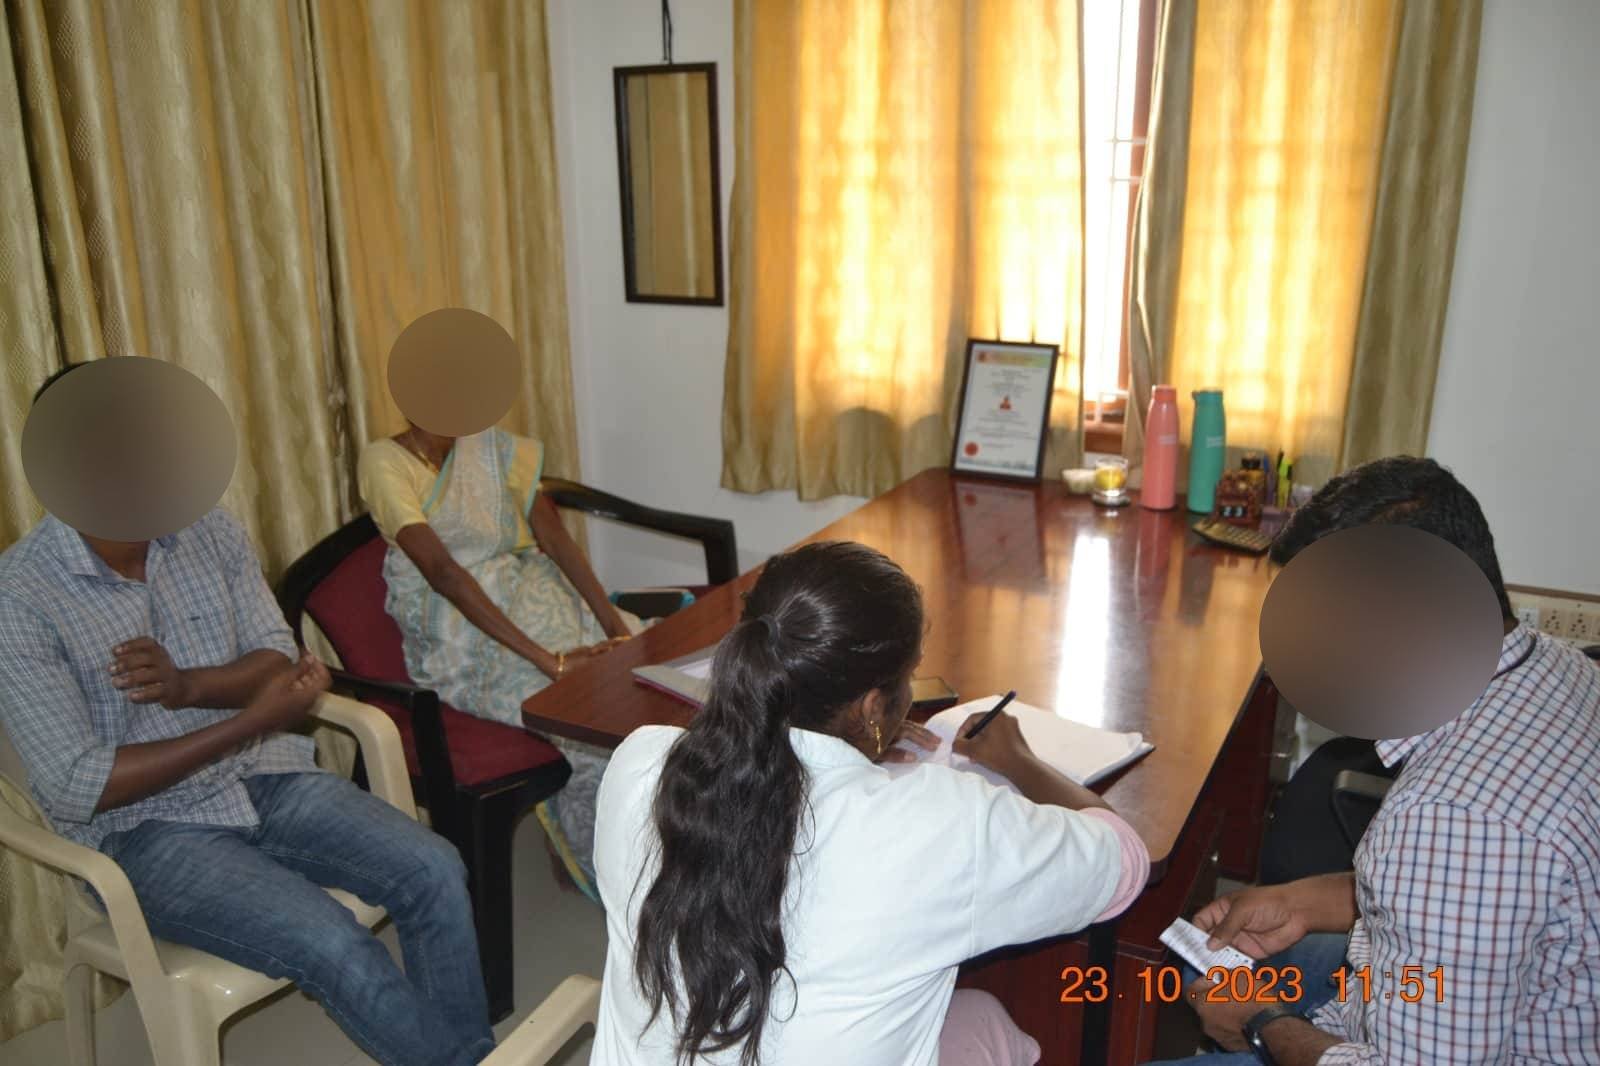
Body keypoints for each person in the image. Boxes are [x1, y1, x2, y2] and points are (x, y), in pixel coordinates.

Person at [0, 366, 495, 1066]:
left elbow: (274, 656)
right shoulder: (20, 596)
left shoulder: (207, 530)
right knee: (331, 941)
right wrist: (248, 719)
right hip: (145, 833)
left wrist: (187, 688)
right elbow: (82, 784)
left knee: (434, 867)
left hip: (265, 776)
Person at [589, 540, 1152, 1065]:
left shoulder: (641, 764)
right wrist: (1020, 761)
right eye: (909, 678)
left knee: (974, 1014)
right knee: (990, 1024)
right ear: (872, 707)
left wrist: (864, 745)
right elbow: (1124, 862)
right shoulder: (940, 824)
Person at [1151, 456, 1600, 1065]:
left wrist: (1259, 1022)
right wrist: (1307, 901)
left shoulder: (1451, 820)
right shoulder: (1560, 667)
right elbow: (1488, 898)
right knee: (1234, 962)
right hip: (1485, 999)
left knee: (1220, 996)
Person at [358, 422, 633, 900]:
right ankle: (607, 869)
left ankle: (671, 850)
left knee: (639, 681)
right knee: (583, 716)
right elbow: (443, 572)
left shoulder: (491, 447)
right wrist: (551, 663)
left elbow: (556, 540)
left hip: (529, 594)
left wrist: (614, 625)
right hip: (458, 631)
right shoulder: (385, 460)